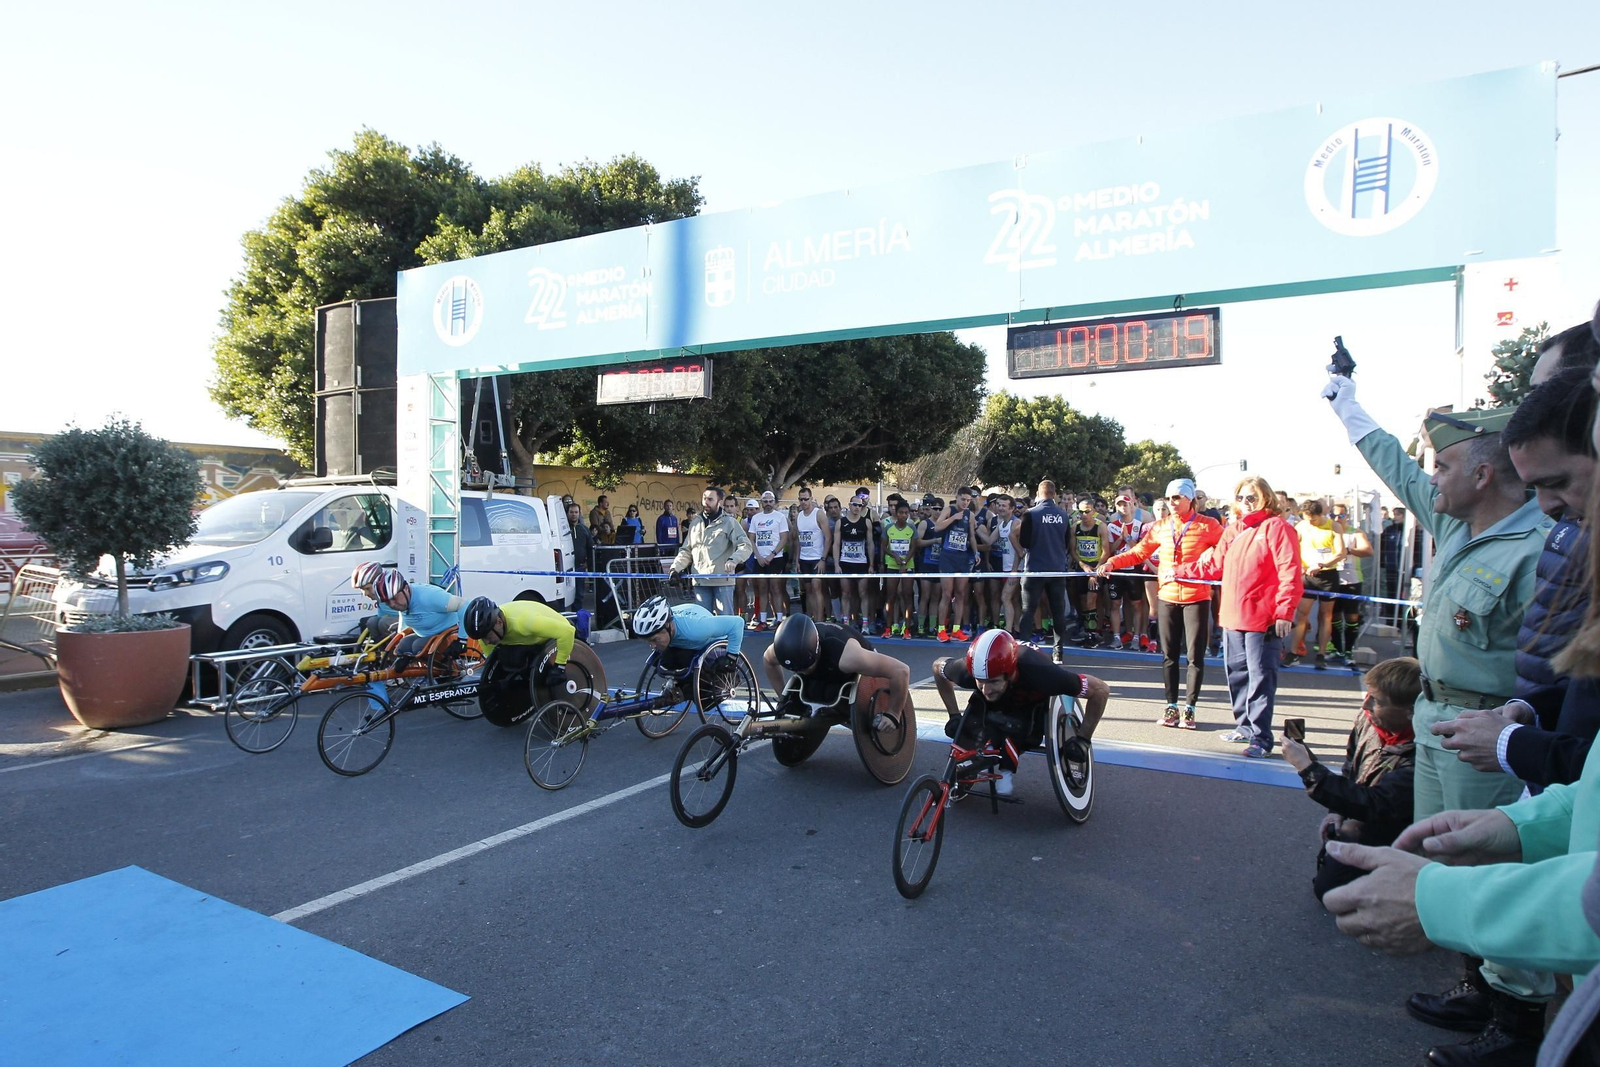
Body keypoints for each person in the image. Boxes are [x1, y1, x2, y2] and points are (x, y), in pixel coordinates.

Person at [1321, 371, 1554, 1065]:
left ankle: (1517, 1020)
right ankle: (1476, 986)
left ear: (1485, 473)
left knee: (1491, 862)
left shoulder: (1542, 544)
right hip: (1433, 717)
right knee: (1445, 855)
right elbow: (1393, 464)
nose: (1432, 477)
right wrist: (1348, 405)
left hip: (1487, 731)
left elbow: (1552, 666)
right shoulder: (1457, 516)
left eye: (1445, 464)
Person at [1172, 475, 1302, 755]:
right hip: (1232, 616)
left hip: (1262, 618)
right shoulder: (1233, 530)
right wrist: (1180, 572)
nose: (1246, 502)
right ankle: (1244, 727)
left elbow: (1289, 571)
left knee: (1261, 678)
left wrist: (1284, 612)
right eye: (1241, 497)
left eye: (1252, 497)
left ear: (1265, 498)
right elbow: (1214, 567)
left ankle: (1261, 738)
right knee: (1237, 675)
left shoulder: (1277, 528)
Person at [1283, 656, 1420, 900]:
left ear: (1409, 712)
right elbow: (1351, 768)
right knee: (1328, 886)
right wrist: (1336, 812)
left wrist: (1307, 767)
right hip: (1367, 812)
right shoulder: (1368, 721)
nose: (1366, 705)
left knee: (1333, 891)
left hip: (1397, 827)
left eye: (1376, 701)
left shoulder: (1422, 753)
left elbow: (1377, 804)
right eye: (1367, 695)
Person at [1099, 478, 1223, 729]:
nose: (1173, 503)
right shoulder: (1160, 526)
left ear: (1191, 499)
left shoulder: (1208, 525)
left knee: (1194, 657)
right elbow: (1139, 553)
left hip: (1196, 597)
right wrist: (1113, 562)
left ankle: (1190, 708)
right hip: (1166, 597)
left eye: (1177, 498)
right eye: (1169, 498)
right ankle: (1171, 706)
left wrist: (1205, 566)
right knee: (1169, 656)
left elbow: (1225, 552)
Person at [931, 629, 1111, 797]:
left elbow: (1101, 690)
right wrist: (954, 715)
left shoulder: (1044, 675)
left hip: (1031, 699)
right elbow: (937, 666)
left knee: (1018, 728)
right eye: (980, 682)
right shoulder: (968, 671)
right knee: (975, 713)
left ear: (1009, 674)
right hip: (1003, 693)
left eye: (992, 682)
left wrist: (1083, 739)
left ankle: (1007, 760)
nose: (986, 689)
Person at [761, 612, 910, 724]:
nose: (800, 672)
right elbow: (768, 661)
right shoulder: (779, 649)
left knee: (829, 693)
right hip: (826, 669)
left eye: (804, 668)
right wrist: (783, 697)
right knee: (811, 691)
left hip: (849, 671)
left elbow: (901, 671)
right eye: (796, 670)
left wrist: (893, 714)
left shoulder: (849, 657)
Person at [462, 595, 577, 718]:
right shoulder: (487, 633)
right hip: (526, 641)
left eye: (487, 637)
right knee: (508, 658)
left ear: (499, 622)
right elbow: (495, 663)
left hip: (554, 636)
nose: (485, 642)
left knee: (523, 660)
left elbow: (567, 631)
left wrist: (560, 666)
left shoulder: (524, 622)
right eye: (482, 638)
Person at [629, 595, 745, 699]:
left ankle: (715, 685)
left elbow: (737, 623)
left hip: (707, 642)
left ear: (669, 626)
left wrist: (731, 658)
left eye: (655, 640)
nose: (652, 646)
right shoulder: (667, 627)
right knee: (665, 660)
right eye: (649, 641)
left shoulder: (698, 628)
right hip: (683, 641)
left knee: (686, 660)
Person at [1015, 480, 1076, 663]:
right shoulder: (1063, 515)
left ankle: (1024, 651)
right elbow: (1066, 543)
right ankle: (1058, 652)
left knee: (1028, 610)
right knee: (1058, 611)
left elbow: (1024, 542)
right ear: (1054, 494)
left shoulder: (1030, 514)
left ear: (1038, 494)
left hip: (1035, 568)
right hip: (1057, 569)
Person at [669, 487, 753, 615]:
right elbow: (686, 550)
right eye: (704, 498)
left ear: (719, 502)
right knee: (702, 623)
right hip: (700, 580)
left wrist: (734, 560)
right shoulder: (695, 523)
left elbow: (745, 545)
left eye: (710, 499)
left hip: (722, 580)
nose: (706, 502)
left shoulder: (729, 522)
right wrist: (675, 569)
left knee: (725, 622)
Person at [1290, 499, 1346, 669]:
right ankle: (1293, 652)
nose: (1310, 523)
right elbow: (1294, 547)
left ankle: (1321, 653)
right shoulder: (1301, 526)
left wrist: (1321, 565)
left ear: (1321, 515)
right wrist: (1299, 566)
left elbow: (1341, 553)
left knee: (1325, 615)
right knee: (1302, 614)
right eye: (1307, 519)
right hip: (1307, 575)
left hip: (1327, 576)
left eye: (1313, 519)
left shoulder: (1333, 527)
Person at [930, 487, 977, 643]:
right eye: (963, 499)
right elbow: (937, 527)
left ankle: (957, 629)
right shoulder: (949, 510)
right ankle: (941, 630)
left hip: (962, 557)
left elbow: (971, 536)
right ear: (957, 498)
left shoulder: (970, 515)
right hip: (947, 557)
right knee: (947, 594)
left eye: (968, 500)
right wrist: (953, 518)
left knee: (961, 594)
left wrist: (976, 552)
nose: (965, 503)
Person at [1105, 495, 1151, 652]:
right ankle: (1117, 637)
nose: (1124, 507)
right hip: (1117, 571)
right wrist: (1120, 539)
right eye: (1120, 505)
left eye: (1126, 504)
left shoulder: (1140, 526)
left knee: (1136, 604)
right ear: (1117, 508)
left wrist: (1128, 538)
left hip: (1134, 571)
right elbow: (1110, 551)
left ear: (1132, 506)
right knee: (1115, 603)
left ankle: (1136, 637)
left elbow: (1141, 550)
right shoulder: (1111, 526)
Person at [832, 494, 876, 633]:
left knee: (863, 593)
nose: (857, 508)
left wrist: (871, 565)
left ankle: (865, 625)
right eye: (855, 505)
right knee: (845, 593)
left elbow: (870, 544)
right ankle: (846, 623)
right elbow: (836, 544)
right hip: (845, 562)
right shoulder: (841, 522)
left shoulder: (866, 522)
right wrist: (836, 564)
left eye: (860, 505)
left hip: (861, 562)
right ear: (850, 505)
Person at [747, 491, 790, 631]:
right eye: (765, 501)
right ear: (761, 502)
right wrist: (758, 556)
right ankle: (763, 621)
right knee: (762, 589)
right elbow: (751, 539)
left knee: (776, 588)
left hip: (776, 558)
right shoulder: (756, 518)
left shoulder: (780, 517)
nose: (768, 504)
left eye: (771, 501)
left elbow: (784, 538)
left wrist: (772, 554)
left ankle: (779, 620)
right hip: (759, 559)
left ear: (774, 502)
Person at [1068, 499, 1108, 647]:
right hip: (1082, 566)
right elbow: (1073, 550)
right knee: (1084, 601)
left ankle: (1093, 634)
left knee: (1092, 600)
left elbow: (1106, 552)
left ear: (1093, 511)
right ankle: (1087, 630)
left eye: (1087, 511)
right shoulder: (1075, 527)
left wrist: (1095, 571)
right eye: (1081, 512)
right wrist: (1083, 565)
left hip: (1097, 566)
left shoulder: (1101, 527)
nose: (1084, 515)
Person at [880, 499, 918, 637]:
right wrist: (894, 557)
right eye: (901, 513)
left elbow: (914, 546)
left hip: (907, 565)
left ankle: (907, 629)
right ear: (896, 513)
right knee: (891, 597)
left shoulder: (911, 528)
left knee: (907, 596)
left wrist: (904, 562)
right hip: (892, 565)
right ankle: (888, 628)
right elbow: (884, 546)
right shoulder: (889, 528)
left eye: (906, 513)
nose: (904, 515)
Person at [793, 485, 830, 620]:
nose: (803, 502)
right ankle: (810, 618)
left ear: (811, 499)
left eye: (806, 499)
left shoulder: (818, 514)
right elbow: (798, 540)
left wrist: (823, 559)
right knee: (808, 591)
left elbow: (828, 537)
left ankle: (820, 620)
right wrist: (796, 560)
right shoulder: (799, 516)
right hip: (804, 559)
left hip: (817, 558)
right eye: (801, 499)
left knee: (816, 588)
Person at [914, 495, 944, 637]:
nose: (937, 511)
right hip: (926, 563)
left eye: (940, 509)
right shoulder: (925, 523)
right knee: (925, 596)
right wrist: (934, 540)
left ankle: (932, 626)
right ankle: (920, 625)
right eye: (935, 508)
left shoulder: (945, 524)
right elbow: (917, 542)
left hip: (940, 565)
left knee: (936, 597)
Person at [566, 501, 594, 612]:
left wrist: (588, 563)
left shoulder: (584, 529)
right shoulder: (562, 530)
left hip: (579, 567)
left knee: (579, 595)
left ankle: (577, 621)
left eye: (576, 512)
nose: (574, 514)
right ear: (567, 513)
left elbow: (590, 548)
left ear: (579, 513)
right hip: (565, 569)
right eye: (571, 512)